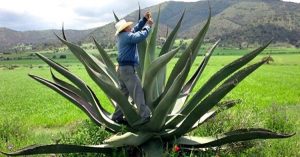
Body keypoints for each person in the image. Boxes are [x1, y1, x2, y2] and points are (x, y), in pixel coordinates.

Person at [112, 12, 153, 124]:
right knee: (137, 92)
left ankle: (117, 117)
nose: (130, 27)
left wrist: (144, 20)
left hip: (122, 70)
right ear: (124, 29)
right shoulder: (127, 37)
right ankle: (145, 116)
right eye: (128, 26)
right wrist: (148, 26)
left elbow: (135, 29)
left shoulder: (123, 36)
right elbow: (140, 36)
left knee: (123, 95)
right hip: (127, 70)